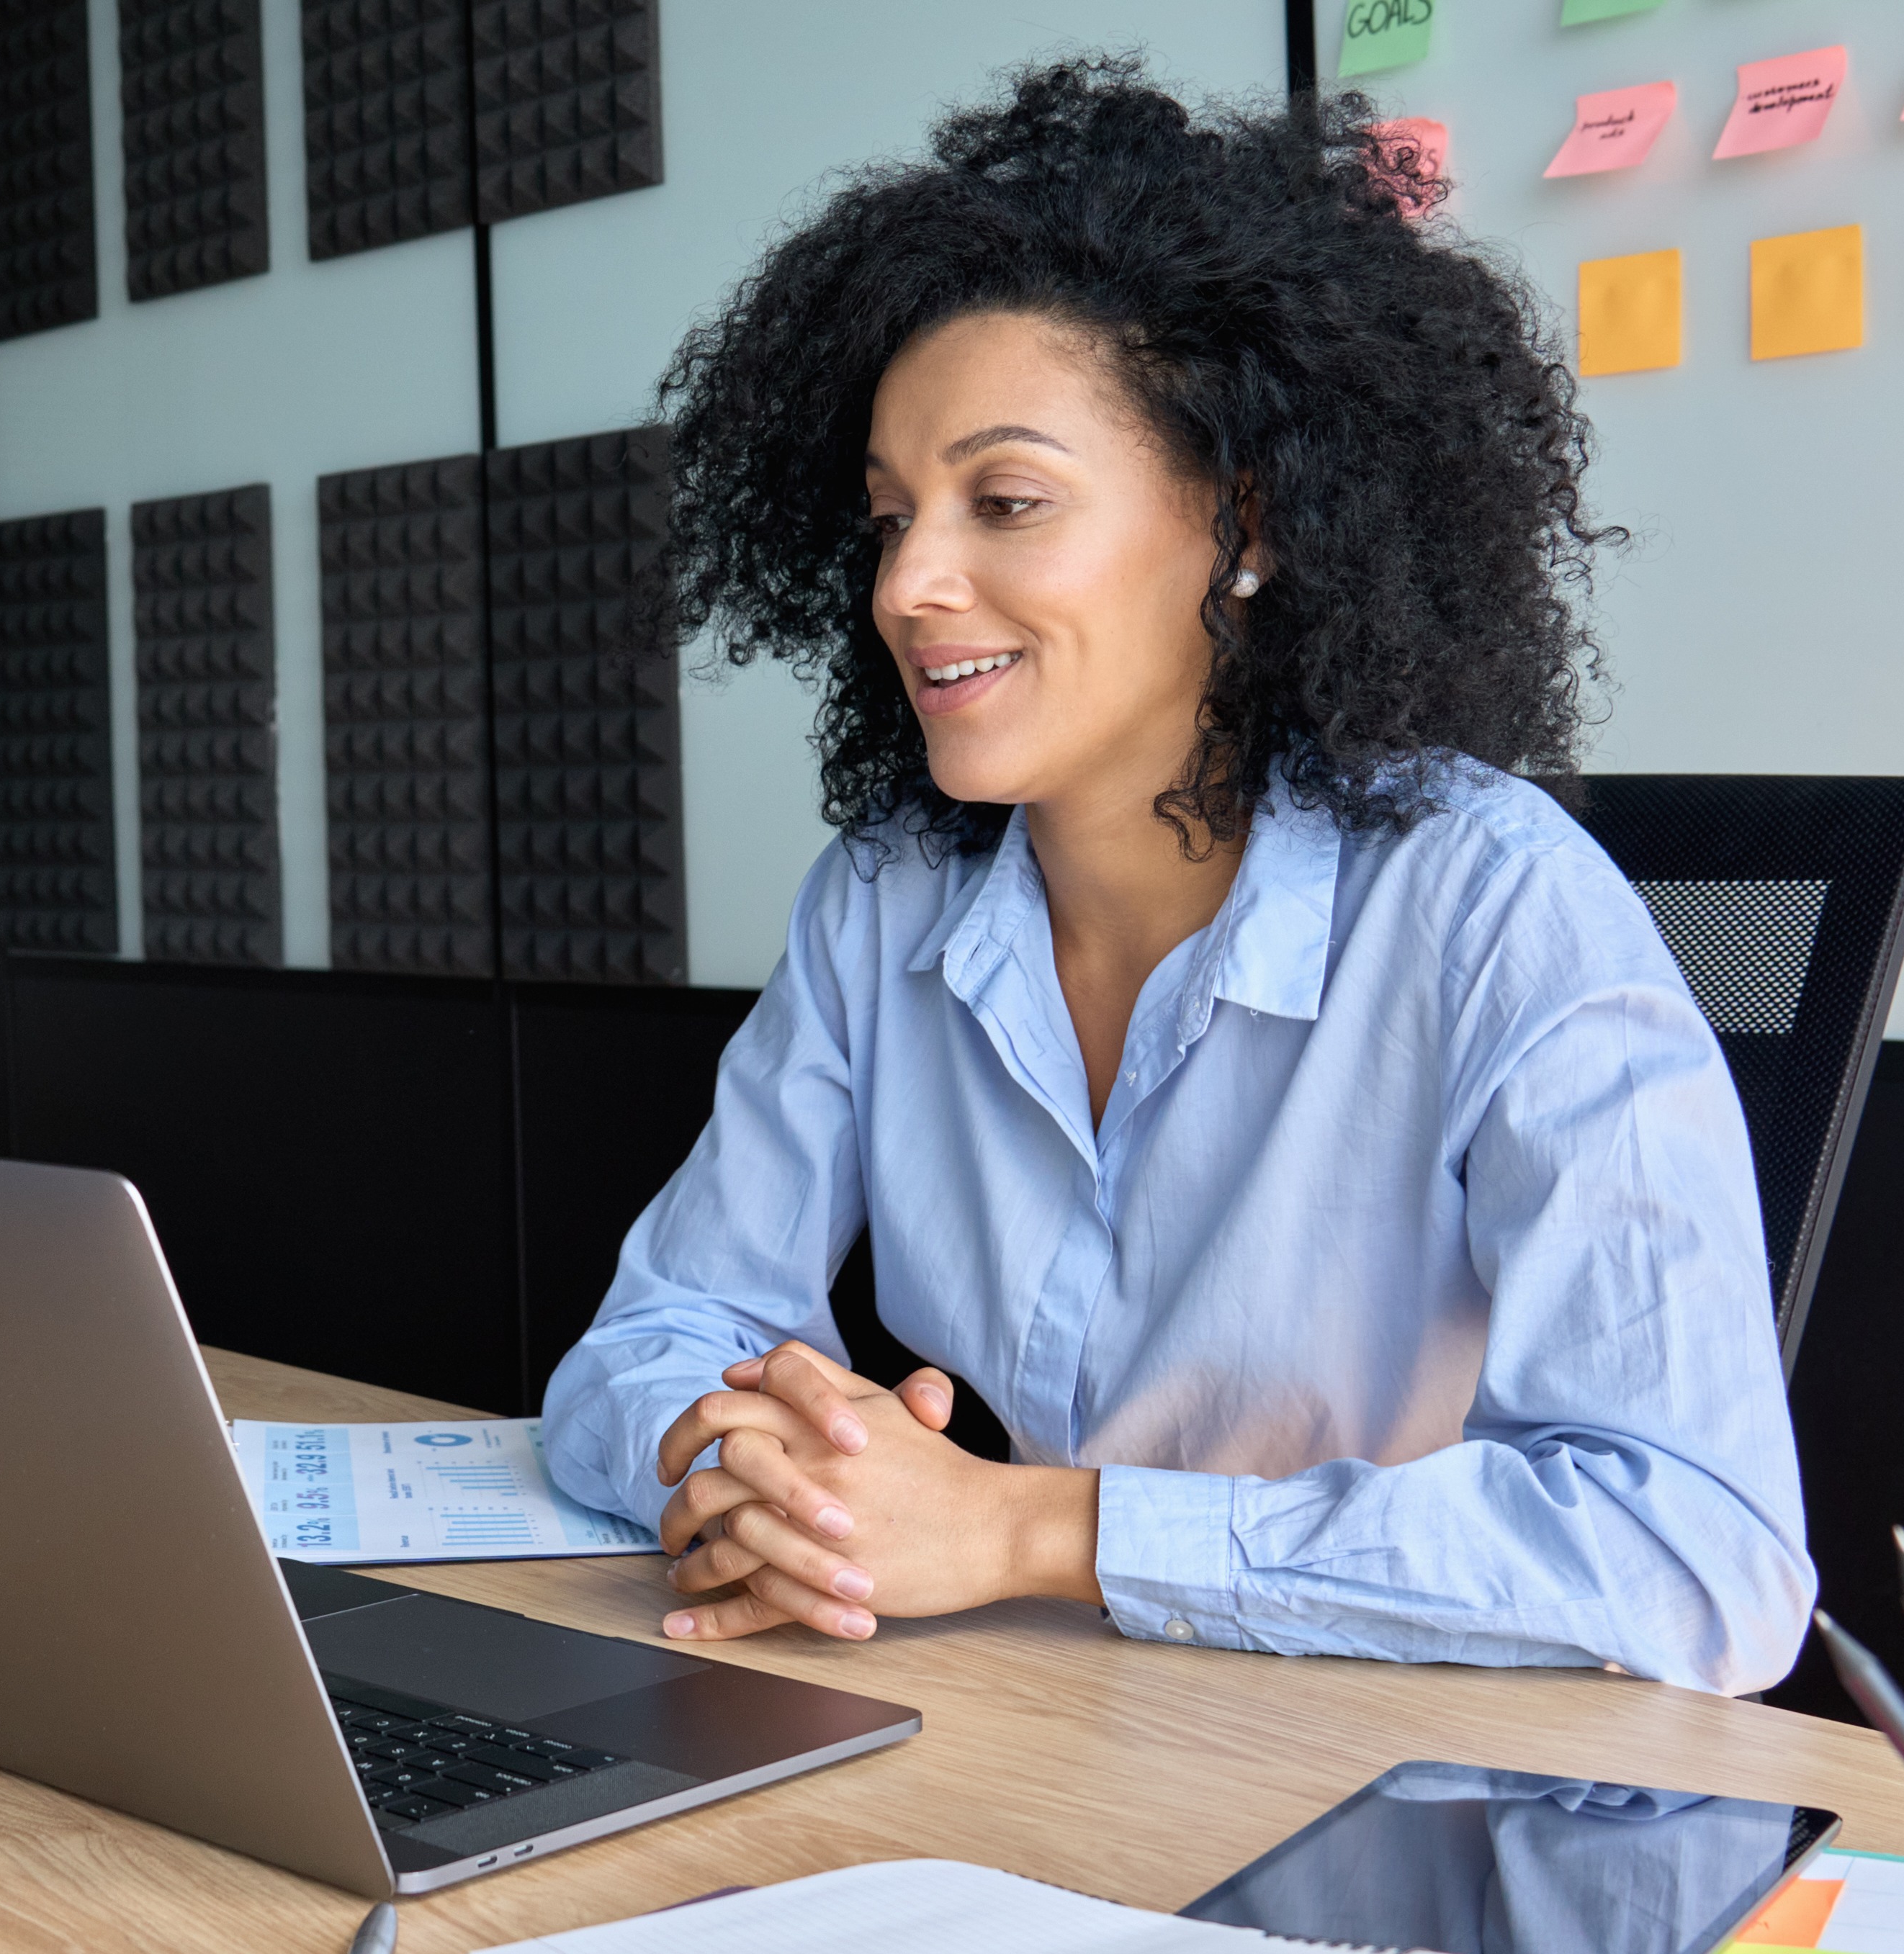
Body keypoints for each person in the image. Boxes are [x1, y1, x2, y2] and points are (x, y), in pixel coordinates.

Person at [533, 59, 1813, 1696]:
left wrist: (1032, 1530)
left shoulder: (1493, 905)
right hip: (1068, 1724)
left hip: (1402, 1781)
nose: (912, 584)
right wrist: (759, 1465)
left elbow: (1699, 1554)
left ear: (1246, 523)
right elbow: (636, 1351)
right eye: (887, 517)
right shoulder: (883, 902)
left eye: (1005, 501)